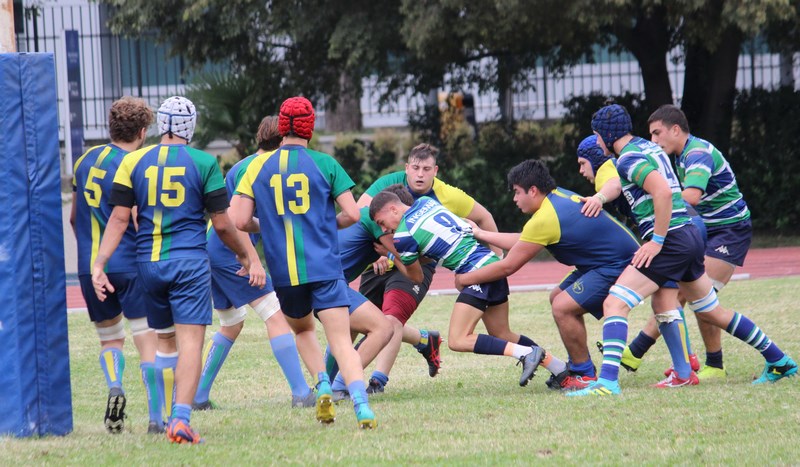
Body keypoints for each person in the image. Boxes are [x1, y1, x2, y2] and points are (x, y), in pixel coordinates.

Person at [569, 104, 797, 397]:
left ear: (606, 134)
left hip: (671, 238)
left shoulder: (628, 158)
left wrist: (657, 241)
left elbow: (662, 192)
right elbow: (626, 182)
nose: (598, 143)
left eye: (598, 136)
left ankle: (607, 383)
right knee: (704, 309)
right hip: (689, 233)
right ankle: (778, 360)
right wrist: (601, 198)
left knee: (614, 304)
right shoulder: (644, 148)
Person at [92, 96, 260, 443]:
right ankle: (180, 419)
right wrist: (246, 256)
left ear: (160, 124)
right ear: (190, 126)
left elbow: (120, 218)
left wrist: (99, 263)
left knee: (165, 343)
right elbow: (224, 224)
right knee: (190, 344)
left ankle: (163, 414)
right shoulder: (203, 162)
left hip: (148, 264)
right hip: (189, 264)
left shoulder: (133, 161)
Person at [230, 96, 377, 429]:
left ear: (282, 127)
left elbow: (239, 220)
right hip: (325, 266)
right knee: (341, 340)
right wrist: (326, 222)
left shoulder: (256, 166)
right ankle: (361, 404)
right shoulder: (325, 163)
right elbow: (353, 214)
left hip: (284, 272)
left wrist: (268, 223)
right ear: (311, 125)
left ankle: (321, 382)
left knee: (304, 330)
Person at [454, 159, 643, 391]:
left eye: (516, 192)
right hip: (604, 262)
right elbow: (525, 240)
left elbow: (508, 267)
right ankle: (578, 366)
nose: (514, 199)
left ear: (532, 191)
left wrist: (465, 279)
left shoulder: (546, 218)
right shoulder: (555, 200)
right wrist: (481, 233)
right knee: (557, 297)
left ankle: (584, 374)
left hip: (618, 264)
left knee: (563, 307)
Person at [192, 116, 317, 411]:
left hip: (213, 248)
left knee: (231, 324)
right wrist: (250, 260)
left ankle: (198, 396)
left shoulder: (245, 164)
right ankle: (301, 393)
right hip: (227, 251)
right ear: (283, 140)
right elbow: (237, 222)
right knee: (276, 315)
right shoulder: (264, 167)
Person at [369, 190, 549, 387]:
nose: (384, 229)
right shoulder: (426, 202)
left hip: (475, 272)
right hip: (489, 264)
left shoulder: (403, 236)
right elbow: (436, 247)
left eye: (381, 222)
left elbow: (417, 276)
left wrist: (391, 254)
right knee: (502, 333)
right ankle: (559, 370)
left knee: (457, 340)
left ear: (393, 209)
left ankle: (526, 353)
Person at [576, 135, 702, 379]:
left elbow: (613, 182)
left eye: (582, 163)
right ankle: (687, 366)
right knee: (677, 303)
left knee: (617, 302)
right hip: (688, 227)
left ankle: (608, 380)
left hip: (674, 231)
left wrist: (598, 198)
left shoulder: (608, 166)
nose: (580, 170)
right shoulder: (635, 154)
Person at [71, 96, 162, 434]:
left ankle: (115, 386)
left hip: (89, 265)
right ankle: (156, 416)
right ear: (142, 131)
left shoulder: (83, 161)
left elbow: (73, 216)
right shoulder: (137, 164)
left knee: (110, 340)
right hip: (130, 262)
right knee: (146, 338)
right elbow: (135, 218)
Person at [647, 104, 754, 380]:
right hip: (709, 230)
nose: (654, 141)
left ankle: (715, 364)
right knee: (693, 297)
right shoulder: (681, 156)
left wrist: (657, 200)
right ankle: (701, 363)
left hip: (730, 231)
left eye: (657, 133)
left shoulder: (696, 153)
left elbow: (692, 197)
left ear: (675, 129)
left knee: (698, 298)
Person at [330, 184, 439, 398]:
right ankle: (423, 339)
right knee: (353, 327)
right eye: (381, 225)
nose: (386, 230)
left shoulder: (408, 223)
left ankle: (368, 381)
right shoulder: (380, 222)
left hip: (400, 267)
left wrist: (390, 254)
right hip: (335, 279)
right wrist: (386, 251)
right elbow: (370, 219)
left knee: (388, 323)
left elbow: (417, 269)